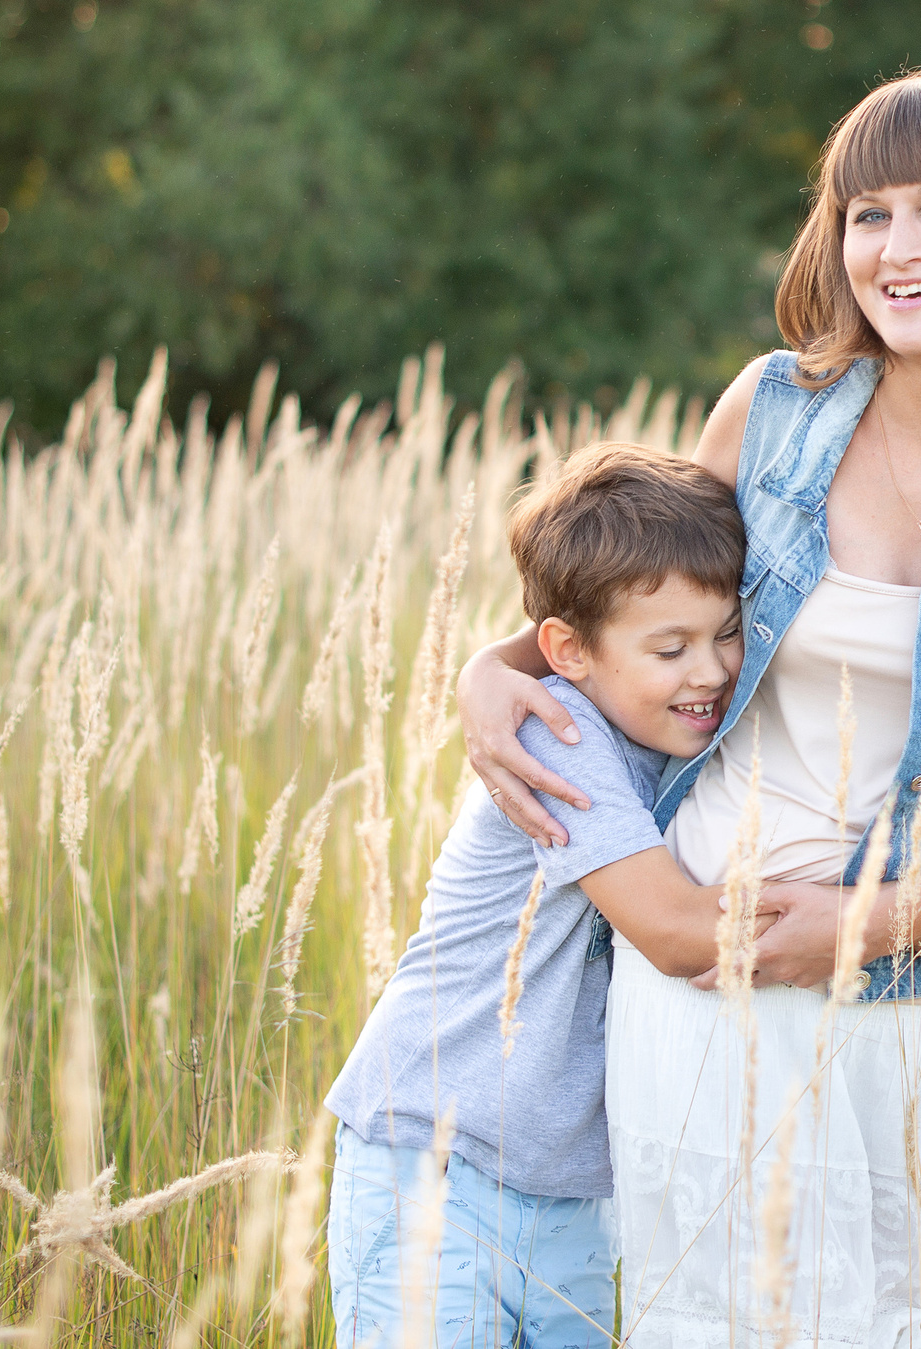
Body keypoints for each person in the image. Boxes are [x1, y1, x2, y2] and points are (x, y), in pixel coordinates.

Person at [457, 48, 921, 1346]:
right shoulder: (776, 409)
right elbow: (621, 615)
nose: (896, 245)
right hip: (712, 985)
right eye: (866, 212)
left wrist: (873, 920)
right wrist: (485, 673)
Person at [322, 444, 770, 1347]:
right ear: (568, 652)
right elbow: (682, 934)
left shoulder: (694, 743)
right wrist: (902, 924)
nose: (712, 671)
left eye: (726, 632)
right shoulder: (561, 736)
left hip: (573, 1199)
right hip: (433, 1167)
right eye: (670, 647)